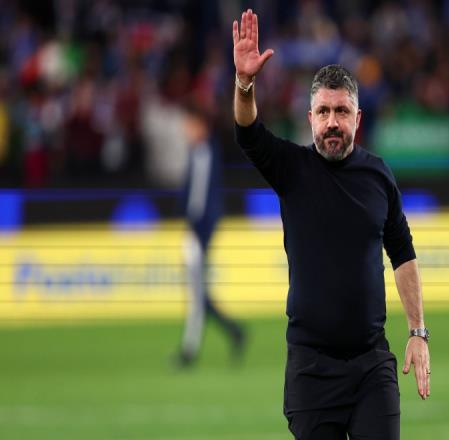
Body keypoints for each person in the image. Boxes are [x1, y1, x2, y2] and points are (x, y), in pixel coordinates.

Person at [232, 9, 430, 440]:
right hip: (311, 369)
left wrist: (418, 332)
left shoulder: (378, 176)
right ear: (310, 119)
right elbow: (247, 131)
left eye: (342, 111)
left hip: (372, 364)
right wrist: (245, 83)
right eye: (323, 111)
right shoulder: (290, 167)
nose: (332, 122)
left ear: (358, 119)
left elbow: (403, 253)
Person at [173, 105, 246, 367]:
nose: (186, 130)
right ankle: (234, 331)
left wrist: (197, 232)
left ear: (201, 126)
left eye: (190, 125)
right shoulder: (200, 152)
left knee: (197, 295)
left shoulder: (203, 153)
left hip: (199, 231)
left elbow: (199, 200)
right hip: (197, 230)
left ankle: (189, 351)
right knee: (199, 294)